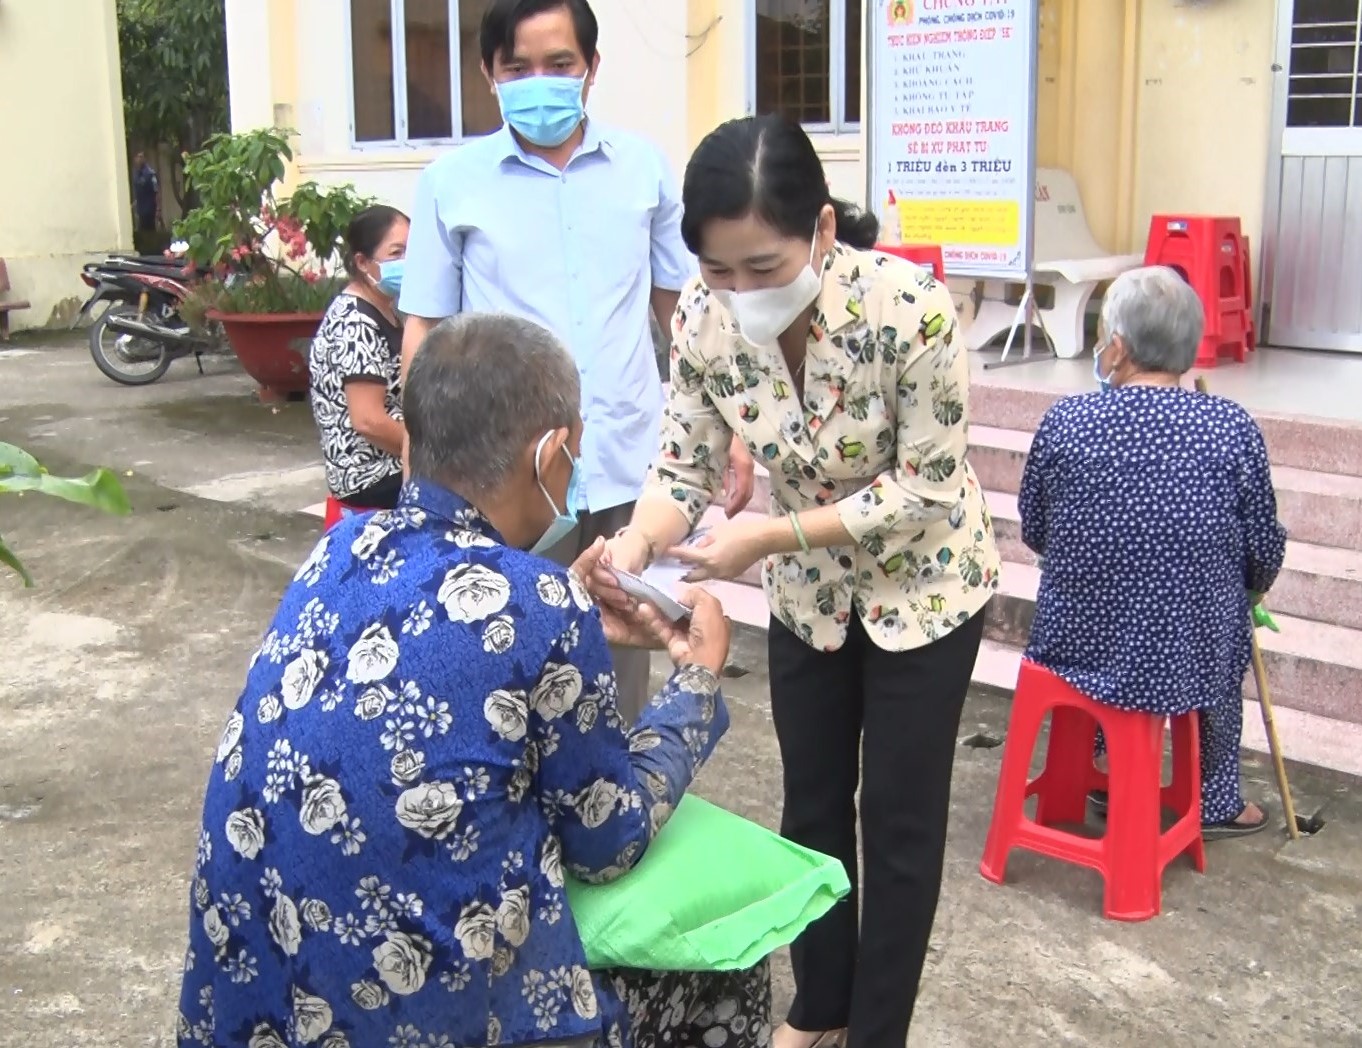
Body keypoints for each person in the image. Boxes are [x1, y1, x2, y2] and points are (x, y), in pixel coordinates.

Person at [177, 313, 772, 1048]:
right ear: (550, 451)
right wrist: (696, 683)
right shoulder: (538, 603)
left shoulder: (336, 551)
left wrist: (567, 608)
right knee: (728, 964)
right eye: (572, 456)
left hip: (253, 1013)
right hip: (431, 1024)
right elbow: (607, 838)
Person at [597, 115, 1000, 1048]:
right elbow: (682, 468)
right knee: (811, 802)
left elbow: (928, 483)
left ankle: (876, 1033)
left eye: (764, 268)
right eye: (717, 270)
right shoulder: (704, 321)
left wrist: (768, 534)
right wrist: (634, 548)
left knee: (900, 825)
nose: (740, 293)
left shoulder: (913, 310)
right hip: (810, 595)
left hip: (925, 585)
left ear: (821, 231)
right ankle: (819, 1007)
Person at [398, 0, 755, 721]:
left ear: (591, 68)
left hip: (625, 464)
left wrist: (737, 426)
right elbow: (424, 334)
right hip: (504, 477)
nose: (542, 81)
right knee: (499, 659)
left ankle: (611, 809)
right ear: (488, 75)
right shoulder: (451, 185)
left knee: (619, 657)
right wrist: (419, 465)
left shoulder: (643, 171)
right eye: (518, 67)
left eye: (560, 64)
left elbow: (682, 318)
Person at [1019, 265, 1287, 839]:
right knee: (1225, 628)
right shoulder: (1230, 427)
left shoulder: (1067, 421)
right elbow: (1263, 547)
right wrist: (1252, 587)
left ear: (1117, 347)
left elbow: (1035, 530)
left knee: (1113, 624)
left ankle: (1099, 772)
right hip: (1190, 655)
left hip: (1078, 646)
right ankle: (1216, 799)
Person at [308, 205, 409, 513]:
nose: (409, 263)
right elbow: (368, 420)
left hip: (393, 461)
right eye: (397, 253)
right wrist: (429, 455)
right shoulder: (354, 322)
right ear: (363, 262)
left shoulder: (387, 309)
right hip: (369, 474)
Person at [132, 151, 162, 234]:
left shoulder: (150, 174)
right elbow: (139, 192)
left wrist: (158, 209)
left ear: (145, 159)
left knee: (150, 233)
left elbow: (156, 191)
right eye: (137, 157)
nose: (139, 159)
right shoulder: (136, 174)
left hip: (149, 210)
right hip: (140, 210)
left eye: (141, 157)